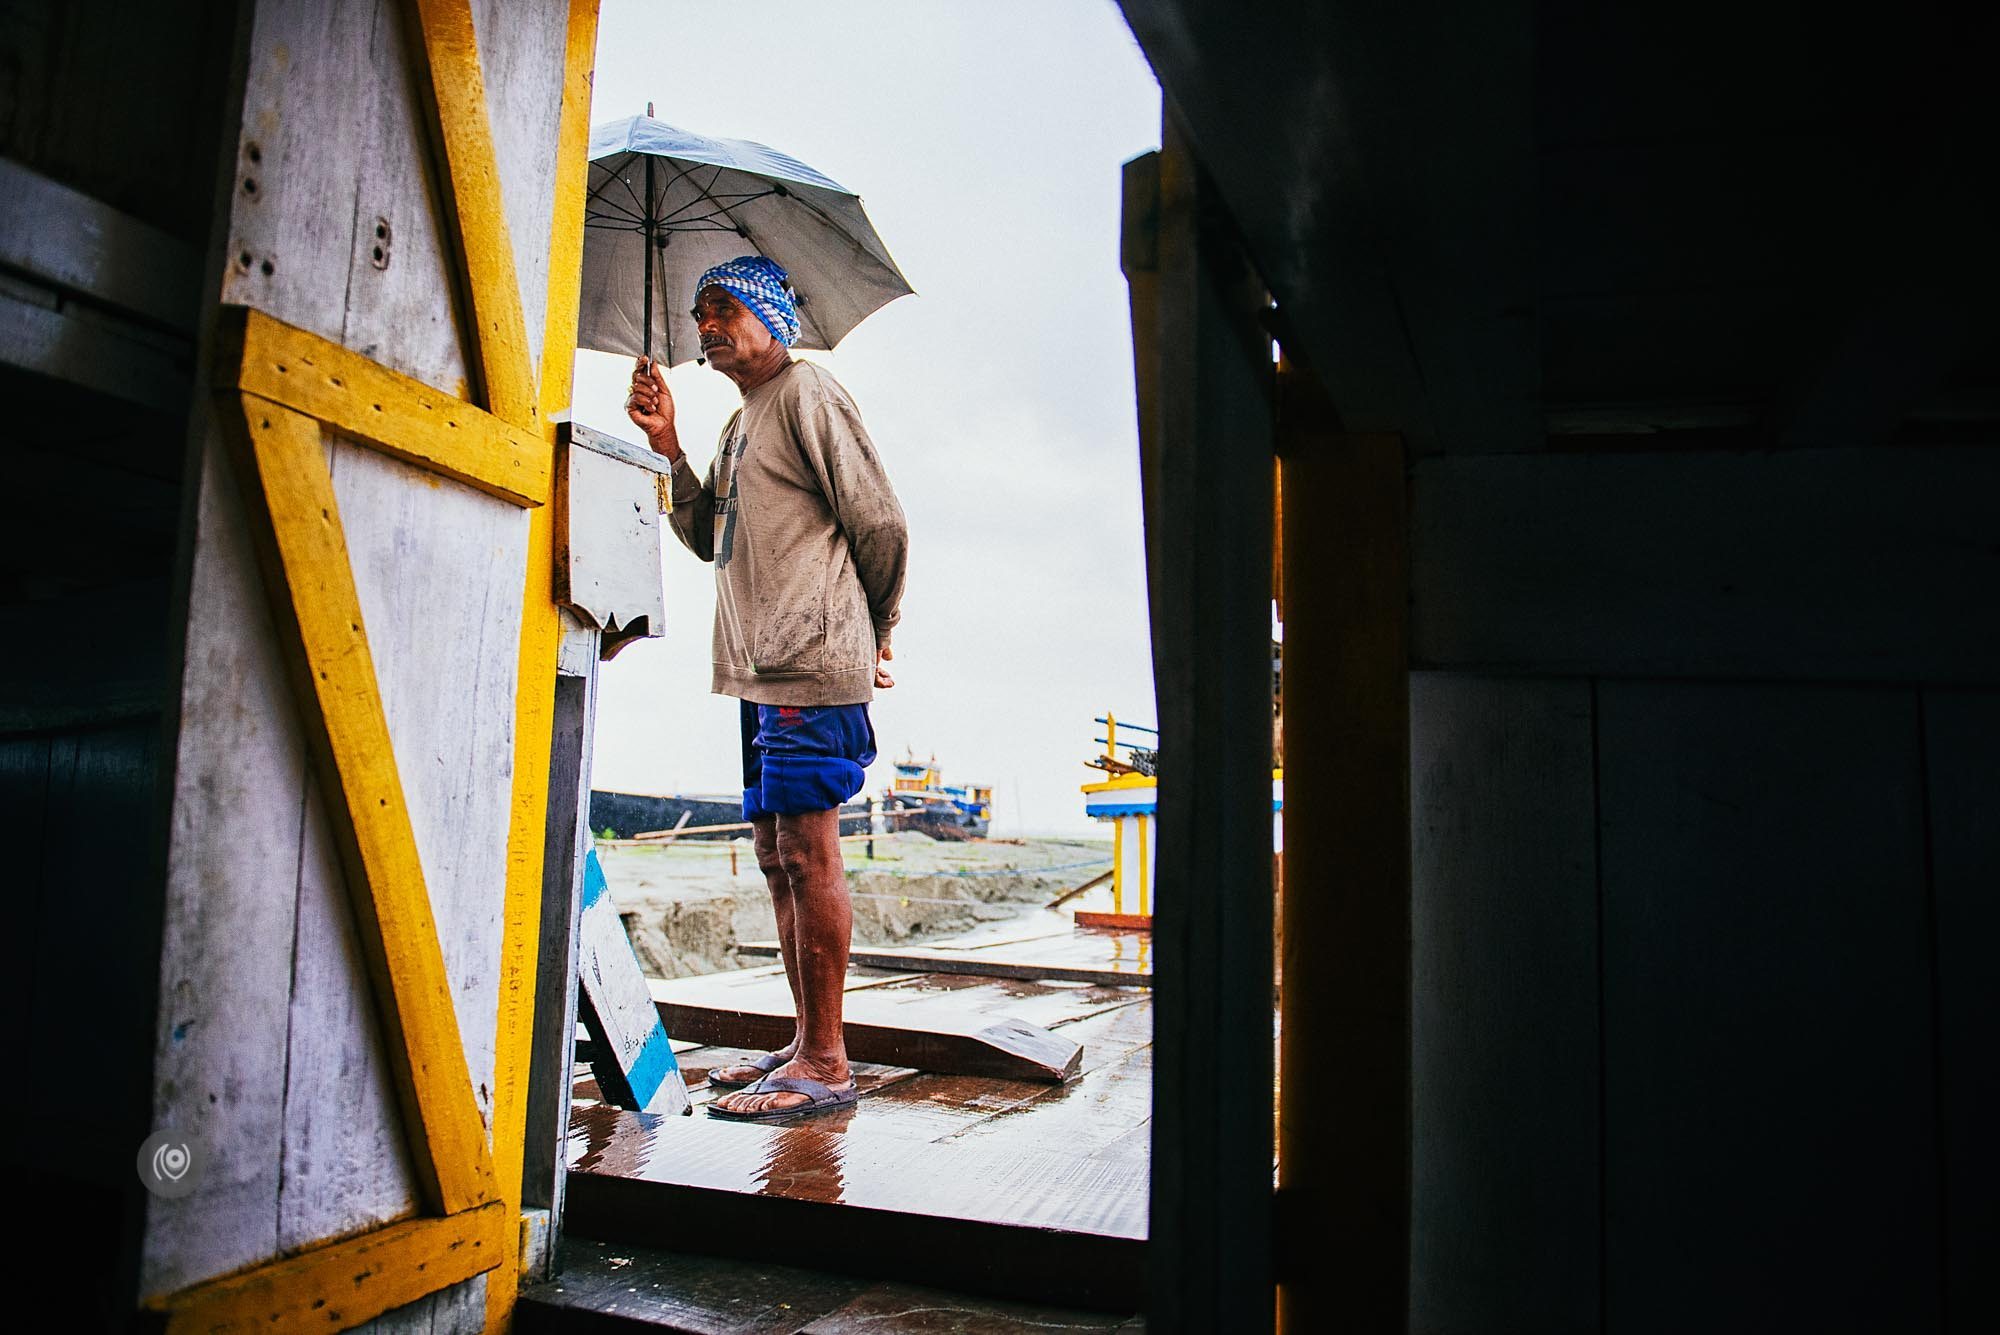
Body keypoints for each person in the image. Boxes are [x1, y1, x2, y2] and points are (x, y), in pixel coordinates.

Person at [625, 255, 908, 1120]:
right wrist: (667, 445)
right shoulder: (736, 423)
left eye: (724, 307)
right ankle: (802, 1039)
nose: (707, 325)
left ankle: (827, 1060)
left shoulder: (808, 393)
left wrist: (875, 630)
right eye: (699, 311)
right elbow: (709, 532)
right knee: (776, 853)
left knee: (810, 848)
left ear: (771, 313)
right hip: (753, 668)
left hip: (809, 663)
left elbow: (881, 522)